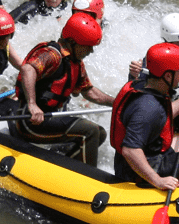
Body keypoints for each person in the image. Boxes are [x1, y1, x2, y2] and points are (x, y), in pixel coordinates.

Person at [111, 43, 179, 190]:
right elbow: (130, 150)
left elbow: (160, 115)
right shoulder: (147, 108)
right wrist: (158, 181)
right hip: (142, 169)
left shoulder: (143, 86)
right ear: (168, 75)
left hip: (145, 157)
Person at [13, 12, 115, 166]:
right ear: (73, 42)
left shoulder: (76, 62)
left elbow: (89, 91)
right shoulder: (52, 55)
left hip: (49, 119)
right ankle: (88, 178)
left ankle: (66, 166)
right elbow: (28, 69)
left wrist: (118, 102)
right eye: (87, 47)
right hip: (31, 121)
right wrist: (33, 105)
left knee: (100, 133)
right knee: (91, 132)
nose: (91, 51)